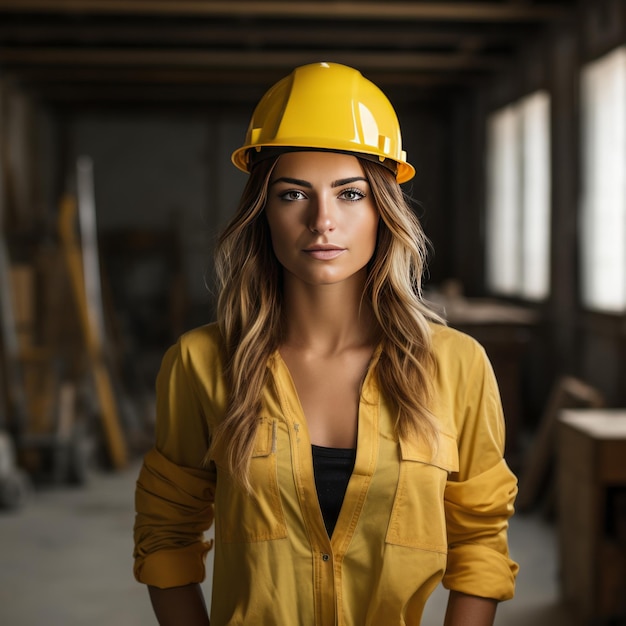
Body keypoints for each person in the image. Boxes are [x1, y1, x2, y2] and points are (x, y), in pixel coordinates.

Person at [133, 61, 519, 626]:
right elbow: (166, 534)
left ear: (383, 210)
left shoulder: (457, 366)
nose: (323, 221)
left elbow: (481, 540)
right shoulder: (199, 363)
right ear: (262, 211)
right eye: (293, 195)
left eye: (350, 194)